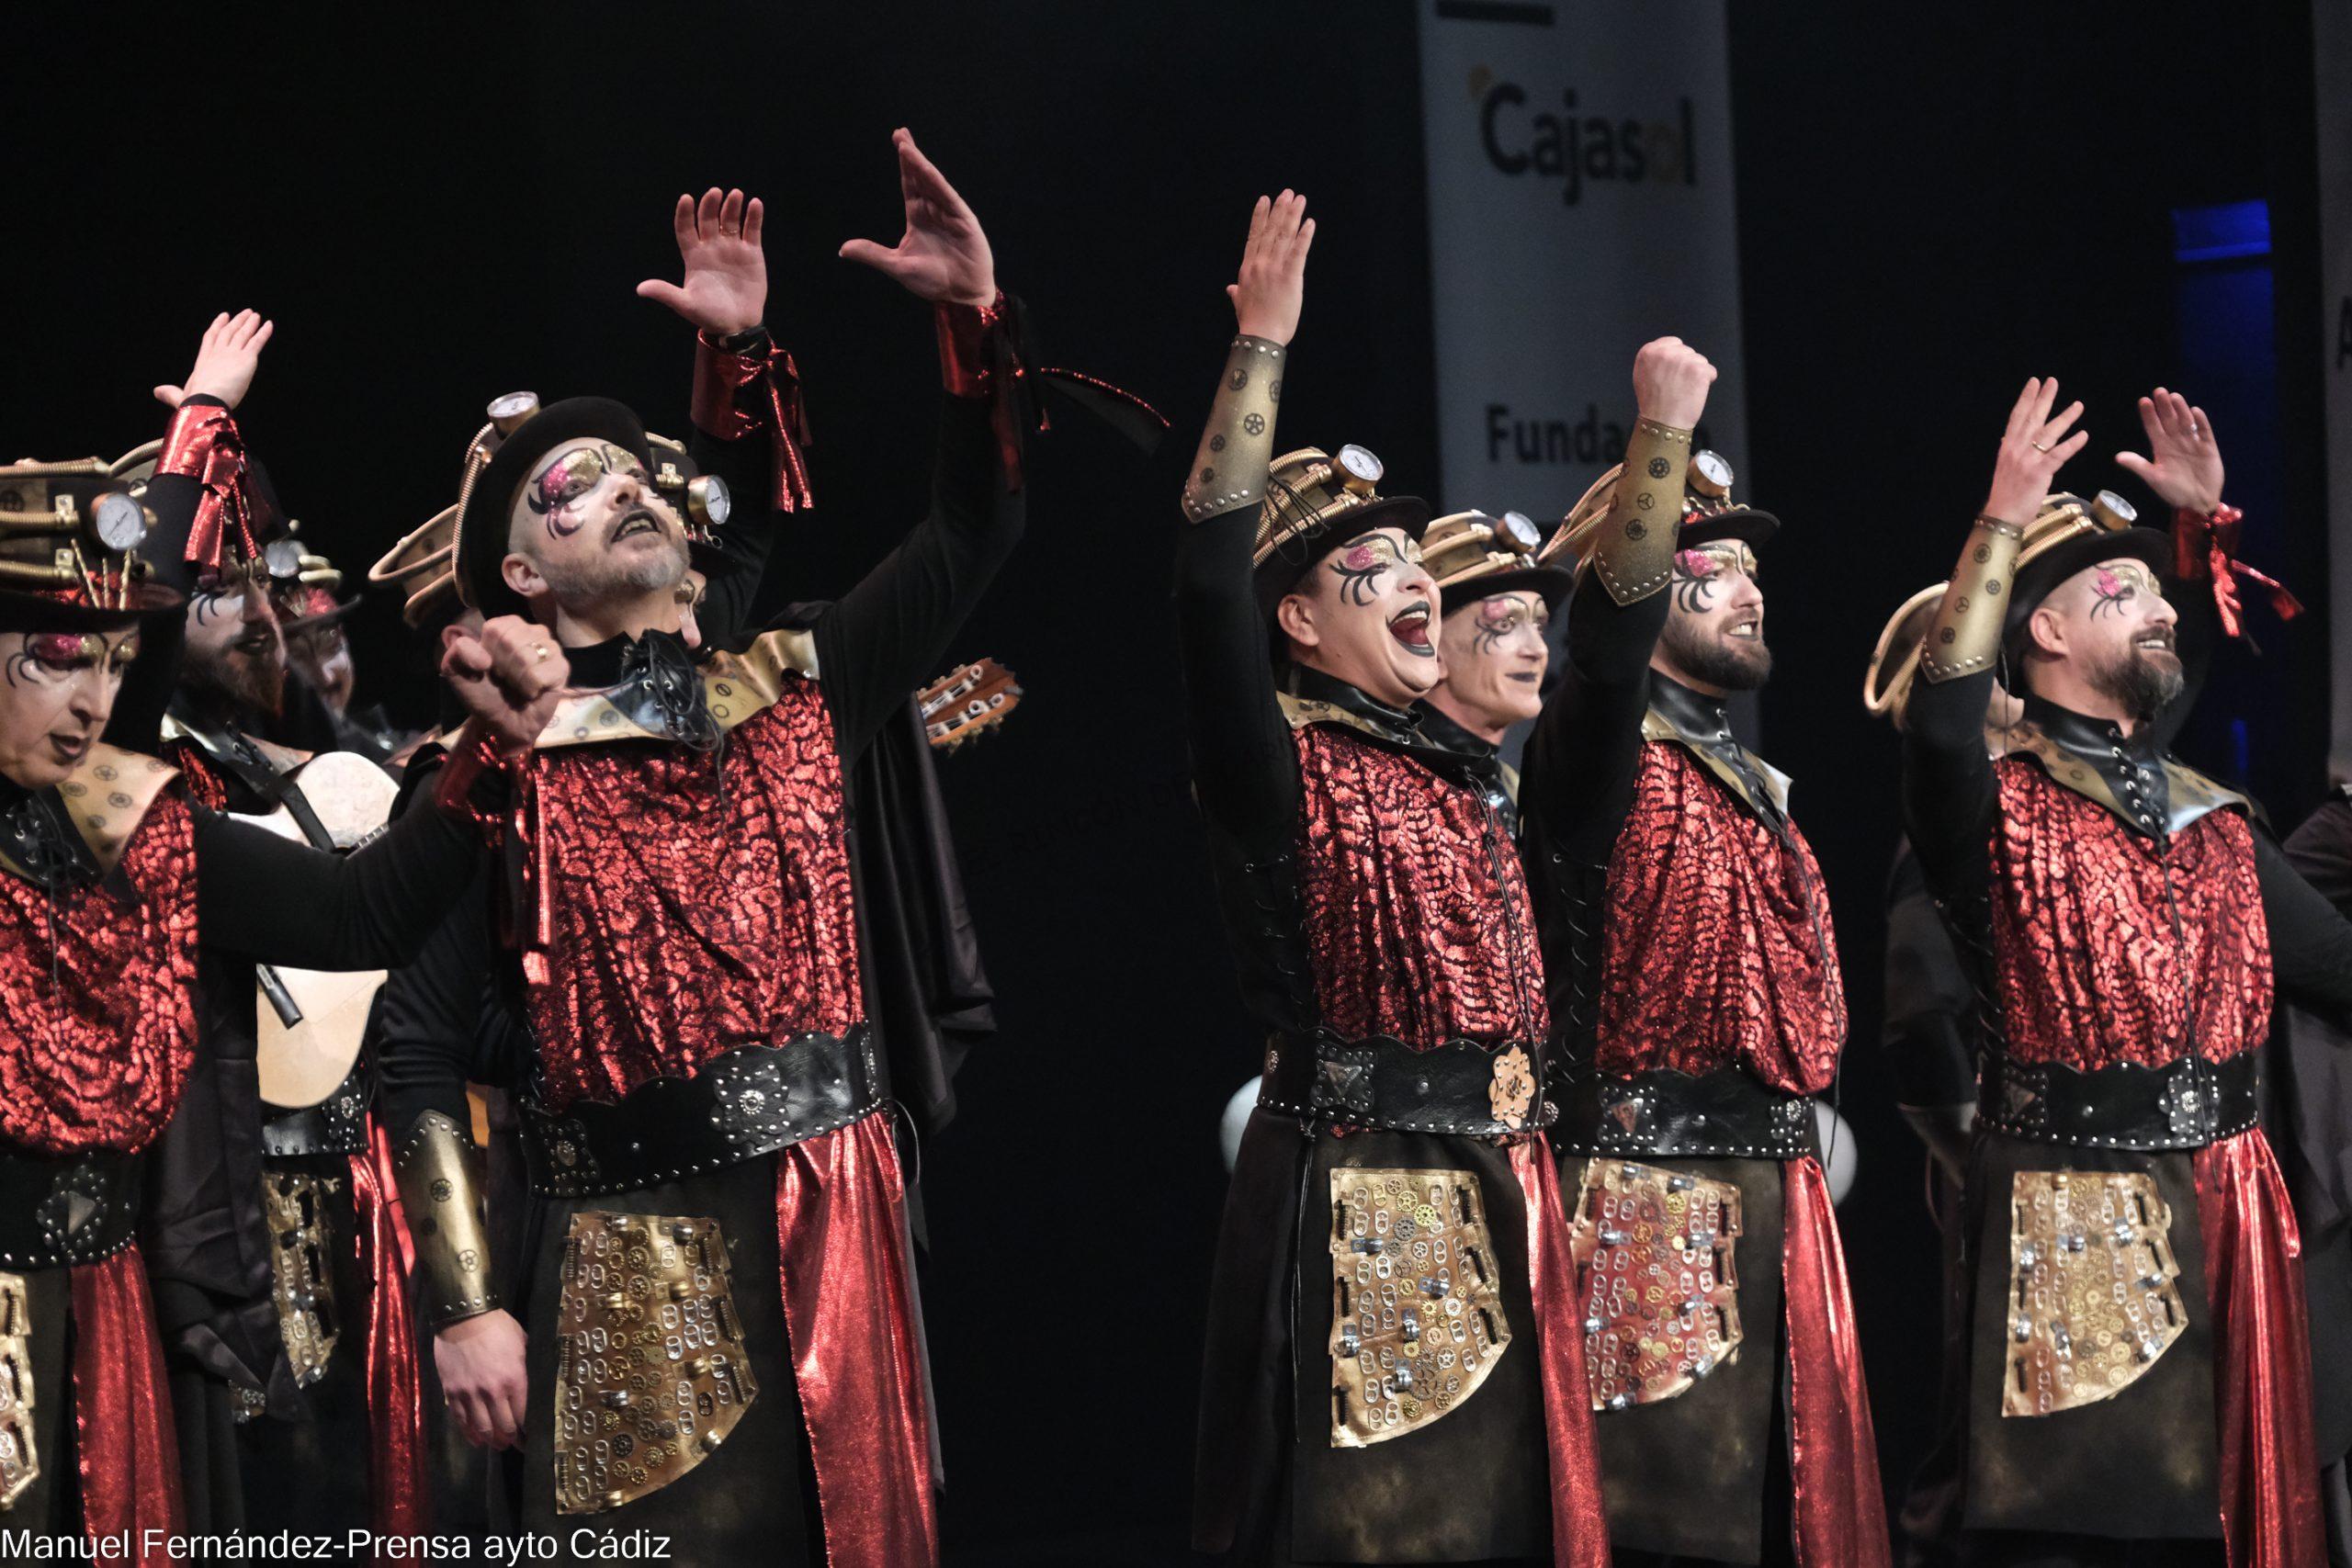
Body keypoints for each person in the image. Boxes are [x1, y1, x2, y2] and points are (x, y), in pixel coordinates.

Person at [375, 133, 1021, 1566]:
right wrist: (467, 1300)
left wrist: (971, 323)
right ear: (522, 575)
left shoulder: (797, 681)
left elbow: (974, 526)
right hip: (630, 1244)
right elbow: (410, 1051)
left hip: (838, 1215)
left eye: (637, 470)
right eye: (574, 486)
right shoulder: (494, 768)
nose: (624, 487)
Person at [0, 382, 561, 1552]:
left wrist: (485, 757)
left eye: (109, 661)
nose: (93, 699)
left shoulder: (124, 818)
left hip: (107, 1310)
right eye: (55, 660)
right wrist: (197, 432)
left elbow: (357, 921)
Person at [1178, 191, 1607, 1568]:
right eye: (1371, 567)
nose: (1414, 578)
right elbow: (1206, 590)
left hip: (1504, 1175)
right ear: (1299, 622)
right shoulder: (1278, 761)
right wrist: (1261, 346)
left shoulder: (1466, 774)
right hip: (1364, 1186)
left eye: (1416, 559)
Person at [1895, 379, 2352, 1566]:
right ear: (2043, 632)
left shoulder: (2205, 817)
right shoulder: (1997, 810)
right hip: (2074, 1213)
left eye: (2159, 593)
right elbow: (1939, 728)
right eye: (2121, 591)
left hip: (2231, 1208)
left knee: (2231, 1531)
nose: (2156, 611)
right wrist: (2002, 520)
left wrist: (2200, 532)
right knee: (2090, 1535)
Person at [1519, 353, 1889, 1568]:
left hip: (1778, 1190)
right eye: (1710, 567)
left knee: (1795, 1526)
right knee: (1665, 1539)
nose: (1749, 592)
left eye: (1751, 571)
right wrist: (1661, 438)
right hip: (1648, 1196)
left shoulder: (1741, 773)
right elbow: (1604, 652)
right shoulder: (1593, 751)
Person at [1413, 509, 1568, 835]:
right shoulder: (1400, 785)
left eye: (1539, 625)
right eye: (1505, 624)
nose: (1538, 650)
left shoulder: (1513, 787)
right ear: (1433, 651)